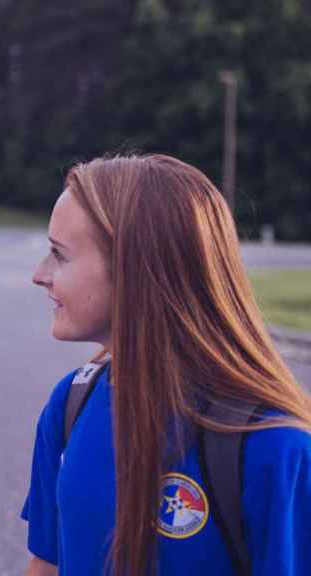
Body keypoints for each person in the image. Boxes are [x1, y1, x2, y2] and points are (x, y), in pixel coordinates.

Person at [22, 154, 311, 575]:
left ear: (134, 269)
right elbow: (46, 564)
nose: (39, 274)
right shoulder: (71, 403)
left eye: (59, 255)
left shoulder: (275, 448)